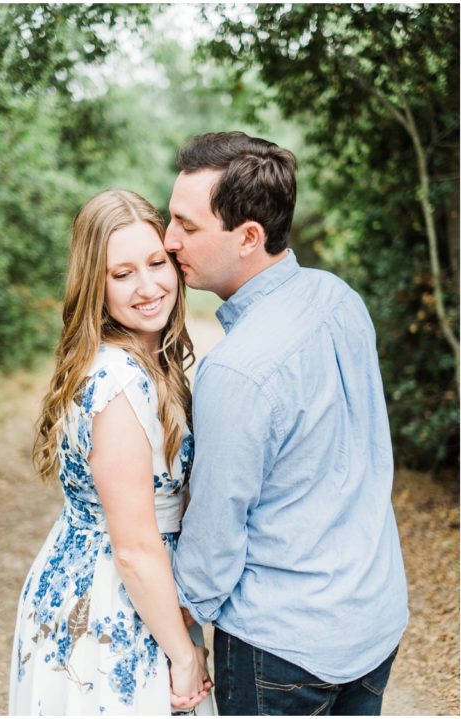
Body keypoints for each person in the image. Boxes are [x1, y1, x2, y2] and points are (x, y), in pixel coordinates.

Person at [167, 131, 409, 716]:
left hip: (280, 647)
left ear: (249, 236)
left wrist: (181, 632)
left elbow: (216, 530)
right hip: (374, 614)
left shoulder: (236, 371)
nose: (170, 240)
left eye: (188, 227)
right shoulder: (339, 297)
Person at [10, 190, 214, 715]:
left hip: (119, 588)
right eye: (121, 274)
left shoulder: (146, 363)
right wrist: (184, 656)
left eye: (156, 263)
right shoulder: (118, 380)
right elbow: (134, 547)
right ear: (93, 286)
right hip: (114, 604)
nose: (148, 287)